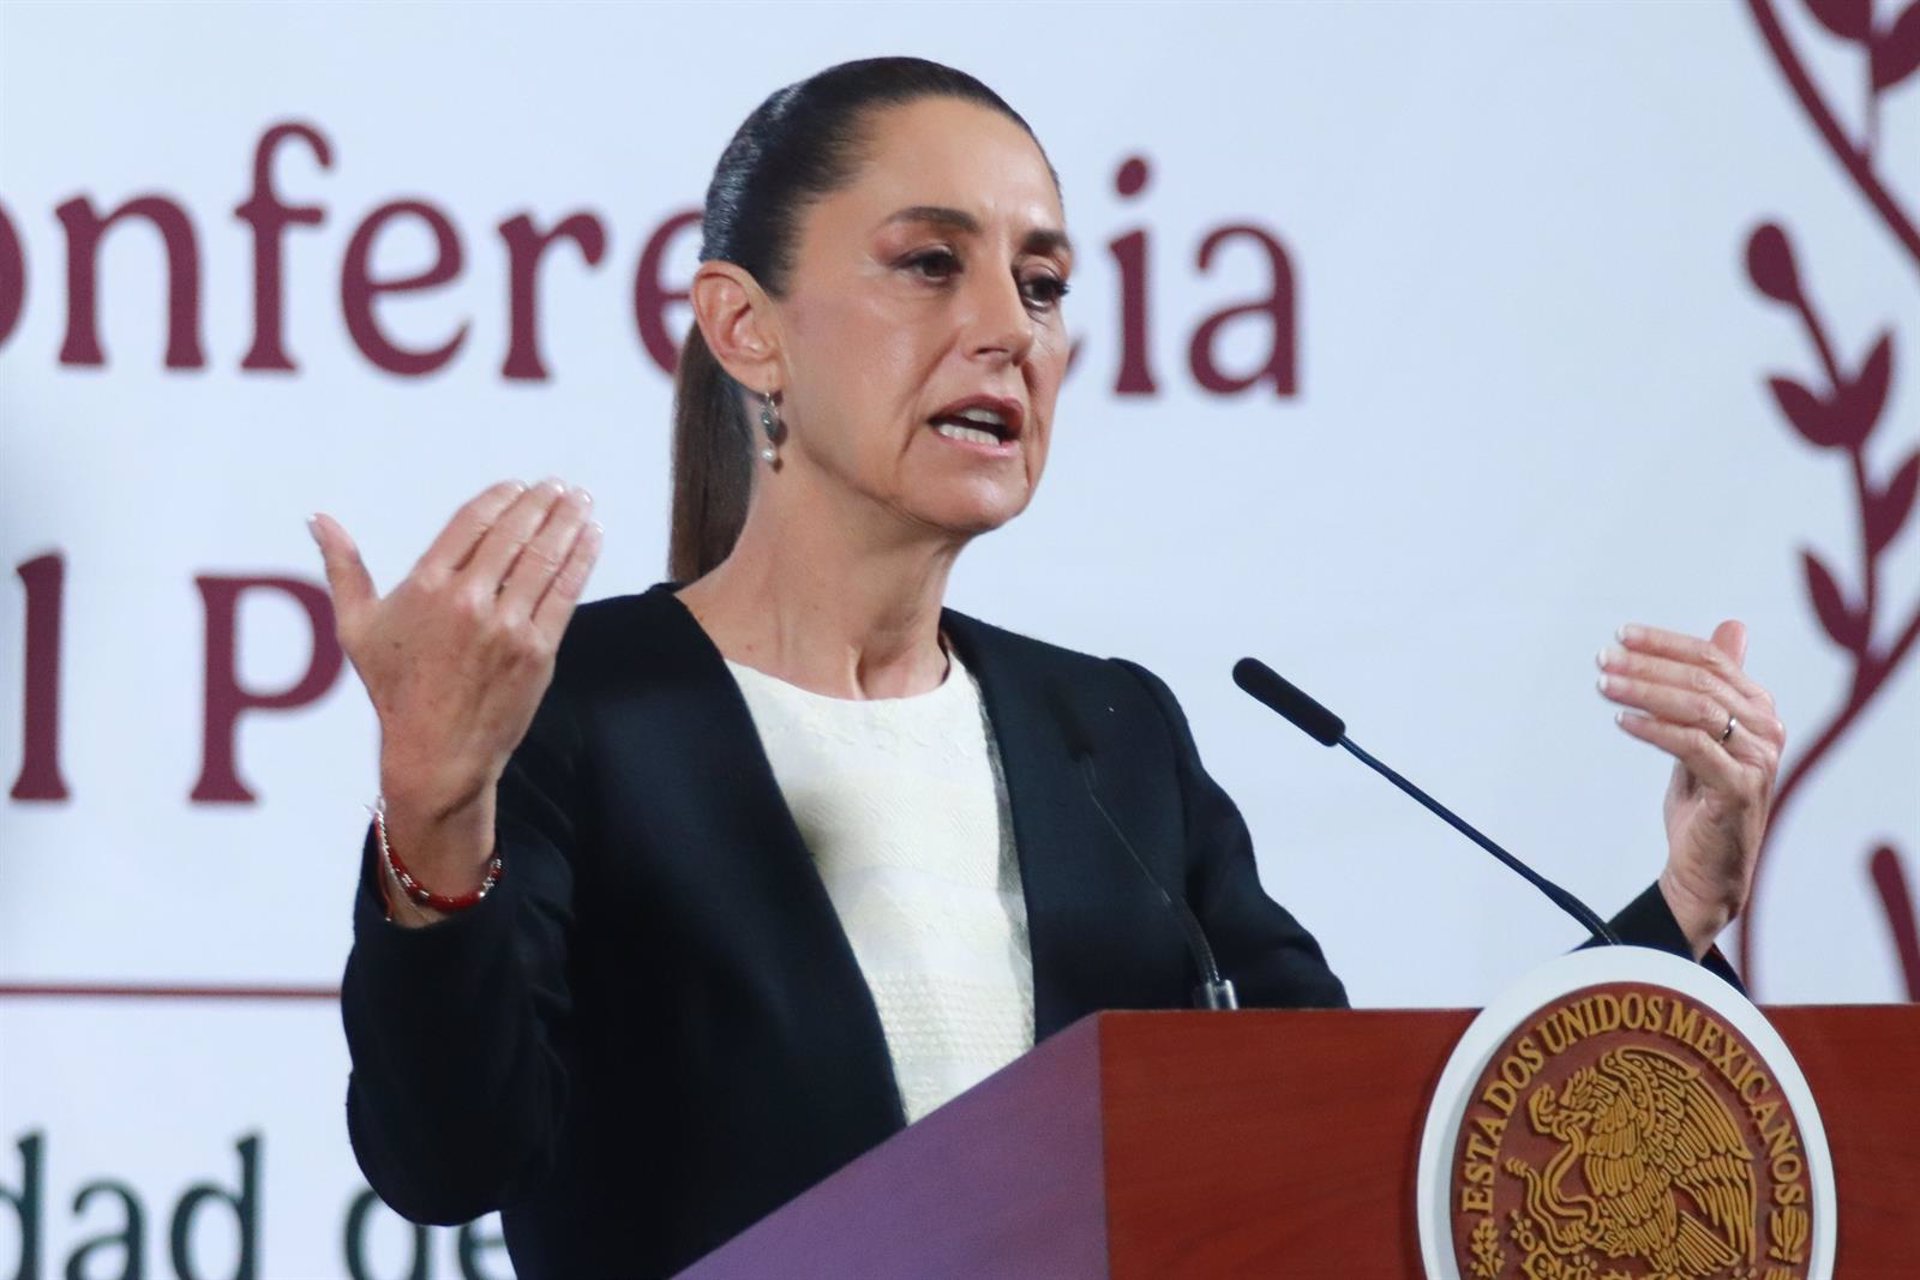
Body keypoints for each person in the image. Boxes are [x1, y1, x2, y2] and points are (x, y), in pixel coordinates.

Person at [311, 57, 1784, 1280]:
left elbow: (1366, 1154)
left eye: (1042, 283)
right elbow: (450, 1161)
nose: (1008, 331)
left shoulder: (1114, 736)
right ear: (745, 328)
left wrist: (1681, 909)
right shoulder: (581, 709)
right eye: (931, 265)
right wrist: (433, 811)